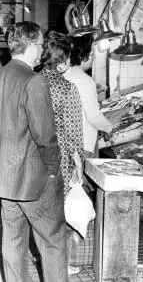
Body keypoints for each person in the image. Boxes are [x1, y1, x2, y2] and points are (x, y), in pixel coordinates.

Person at [0, 21, 68, 282]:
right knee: (52, 242)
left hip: (5, 181)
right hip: (34, 181)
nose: (42, 51)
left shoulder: (2, 75)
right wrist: (53, 172)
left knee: (13, 240)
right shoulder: (33, 81)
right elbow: (46, 137)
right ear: (30, 45)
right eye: (40, 44)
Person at [39, 31, 84, 199]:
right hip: (59, 158)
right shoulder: (67, 89)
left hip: (34, 156)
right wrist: (78, 163)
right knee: (56, 208)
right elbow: (73, 133)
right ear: (62, 60)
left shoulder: (31, 82)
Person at [63, 34, 113, 160]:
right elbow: (93, 116)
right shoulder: (84, 80)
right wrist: (108, 128)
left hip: (66, 144)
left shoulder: (64, 74)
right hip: (82, 146)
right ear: (82, 56)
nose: (94, 57)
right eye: (91, 54)